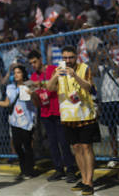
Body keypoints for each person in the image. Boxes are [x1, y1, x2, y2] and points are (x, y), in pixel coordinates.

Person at [48, 45, 99, 196]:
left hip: (85, 115)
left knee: (86, 148)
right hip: (68, 117)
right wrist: (56, 76)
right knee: (76, 148)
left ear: (76, 57)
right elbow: (50, 88)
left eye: (70, 57)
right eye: (65, 58)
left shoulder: (84, 68)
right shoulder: (57, 70)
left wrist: (75, 75)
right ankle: (83, 179)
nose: (68, 60)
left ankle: (89, 182)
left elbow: (89, 87)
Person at [28, 50, 77, 183]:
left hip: (58, 111)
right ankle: (58, 169)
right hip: (45, 112)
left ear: (40, 59)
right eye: (31, 63)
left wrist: (44, 84)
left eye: (35, 61)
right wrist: (32, 94)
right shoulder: (33, 77)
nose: (33, 65)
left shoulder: (53, 69)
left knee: (64, 142)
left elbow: (59, 87)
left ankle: (71, 169)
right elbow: (37, 102)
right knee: (52, 143)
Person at [0, 65, 39, 180]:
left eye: (19, 72)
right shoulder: (10, 87)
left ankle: (30, 170)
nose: (16, 75)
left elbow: (37, 104)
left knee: (27, 146)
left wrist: (33, 94)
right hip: (15, 121)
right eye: (15, 72)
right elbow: (7, 103)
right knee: (17, 146)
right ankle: (23, 169)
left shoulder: (29, 85)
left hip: (27, 121)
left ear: (23, 74)